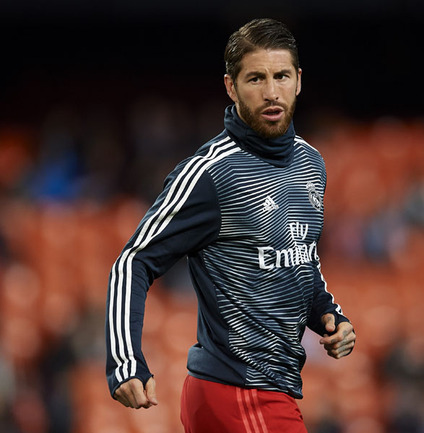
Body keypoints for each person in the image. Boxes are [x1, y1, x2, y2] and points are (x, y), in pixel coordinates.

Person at [105, 18, 355, 432]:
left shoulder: (312, 164)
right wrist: (125, 361)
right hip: (239, 393)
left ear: (298, 81)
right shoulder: (210, 173)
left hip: (267, 392)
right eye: (256, 78)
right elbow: (132, 262)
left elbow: (298, 258)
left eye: (281, 76)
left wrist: (328, 314)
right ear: (230, 86)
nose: (271, 92)